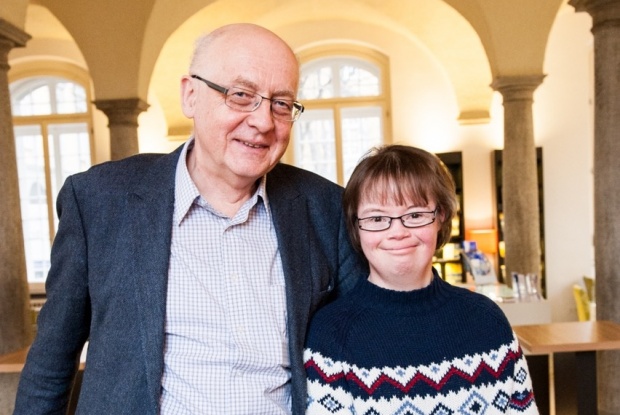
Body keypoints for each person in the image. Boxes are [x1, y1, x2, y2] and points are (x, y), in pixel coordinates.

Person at [14, 23, 365, 415]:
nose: (264, 122)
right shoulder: (100, 201)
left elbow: (370, 337)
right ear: (191, 95)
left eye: (281, 104)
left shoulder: (324, 207)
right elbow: (50, 365)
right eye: (241, 95)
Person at [304, 145, 539, 414]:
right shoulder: (330, 335)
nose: (397, 232)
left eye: (415, 215)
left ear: (441, 217)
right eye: (377, 218)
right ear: (356, 227)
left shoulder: (488, 321)